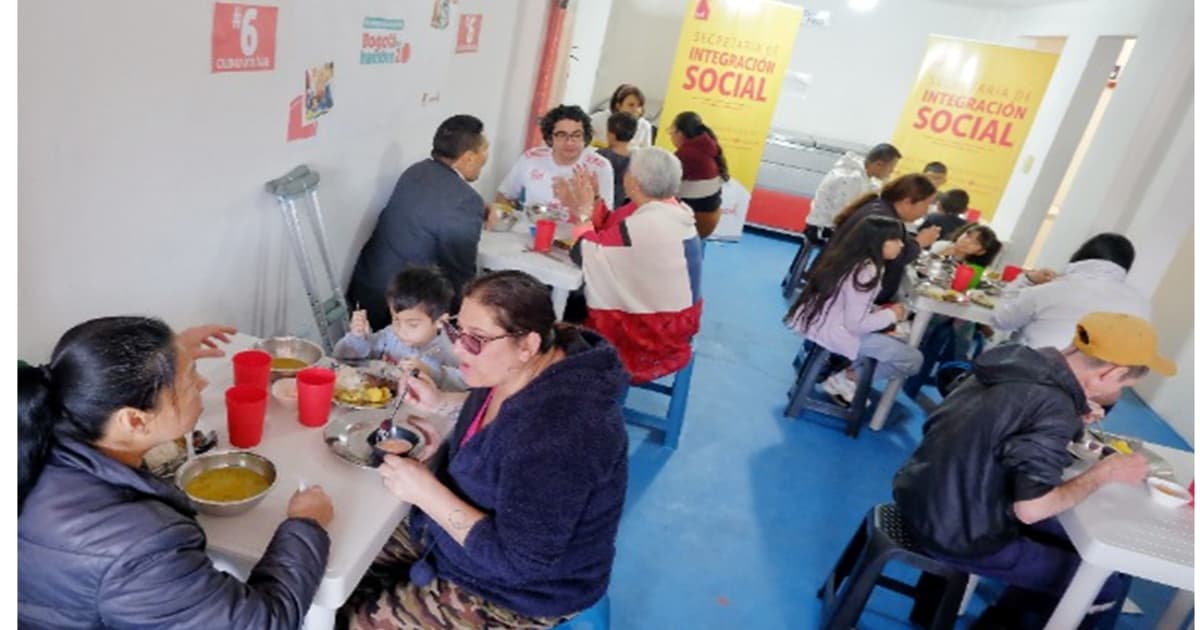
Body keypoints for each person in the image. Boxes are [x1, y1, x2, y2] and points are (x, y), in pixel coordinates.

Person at [340, 271, 629, 630]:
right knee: (338, 563)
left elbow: (519, 562)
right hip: (454, 537)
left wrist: (426, 492)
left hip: (515, 590)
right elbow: (503, 425)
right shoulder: (524, 367)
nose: (458, 350)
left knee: (348, 621)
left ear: (527, 345)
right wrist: (442, 402)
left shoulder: (564, 432)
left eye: (476, 340)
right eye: (457, 331)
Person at [19, 318, 335, 628]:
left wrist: (169, 356)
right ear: (135, 421)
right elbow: (265, 621)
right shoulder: (142, 548)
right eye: (189, 380)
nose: (203, 383)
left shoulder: (38, 434)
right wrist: (306, 526)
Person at [893, 312, 1176, 628]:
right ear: (1112, 372)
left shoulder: (1013, 362)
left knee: (1074, 546)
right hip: (961, 532)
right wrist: (1104, 473)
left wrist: (1070, 417)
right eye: (1123, 385)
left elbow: (1007, 427)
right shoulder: (1054, 406)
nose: (1118, 395)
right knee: (1103, 585)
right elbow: (1031, 509)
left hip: (921, 493)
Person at [565, 147, 703, 383]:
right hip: (677, 324)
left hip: (649, 334)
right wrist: (595, 199)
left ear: (633, 182)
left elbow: (583, 252)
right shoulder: (670, 208)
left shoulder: (647, 223)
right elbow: (611, 228)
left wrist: (584, 212)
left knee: (563, 306)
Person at [348, 114, 490, 329]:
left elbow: (431, 212)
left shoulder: (416, 171)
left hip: (366, 290)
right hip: (402, 308)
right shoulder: (465, 200)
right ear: (469, 157)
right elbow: (460, 271)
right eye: (484, 151)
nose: (485, 159)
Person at [786, 215, 923, 404]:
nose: (901, 245)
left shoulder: (849, 259)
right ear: (878, 242)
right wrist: (892, 315)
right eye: (896, 239)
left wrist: (878, 313)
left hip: (819, 322)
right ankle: (847, 379)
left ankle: (848, 375)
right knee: (913, 359)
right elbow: (855, 325)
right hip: (835, 332)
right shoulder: (866, 271)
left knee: (891, 339)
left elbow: (848, 303)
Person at [993, 233, 1151, 350]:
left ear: (1082, 254)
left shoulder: (1051, 289)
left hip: (1029, 372)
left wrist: (1027, 279)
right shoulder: (1141, 305)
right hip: (1090, 383)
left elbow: (1001, 320)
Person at [336, 267, 466, 391]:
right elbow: (344, 359)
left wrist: (432, 373)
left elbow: (465, 384)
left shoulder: (449, 350)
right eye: (396, 319)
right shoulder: (390, 335)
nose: (400, 330)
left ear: (440, 322)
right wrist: (358, 337)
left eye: (412, 324)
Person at [821, 174, 941, 305]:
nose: (926, 212)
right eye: (926, 204)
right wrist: (919, 243)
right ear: (907, 201)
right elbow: (895, 257)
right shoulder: (884, 221)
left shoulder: (879, 208)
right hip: (846, 295)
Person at [497, 104, 615, 212]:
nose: (569, 142)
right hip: (531, 225)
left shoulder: (600, 166)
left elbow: (605, 218)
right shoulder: (531, 158)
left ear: (585, 138)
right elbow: (503, 196)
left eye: (576, 135)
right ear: (550, 138)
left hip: (578, 228)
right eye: (561, 135)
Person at [804, 143, 903, 248]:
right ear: (879, 164)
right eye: (891, 167)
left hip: (831, 227)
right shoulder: (851, 179)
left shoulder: (864, 177)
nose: (892, 171)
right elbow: (840, 216)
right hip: (822, 229)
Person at [669, 111, 729, 239]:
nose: (670, 136)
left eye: (671, 131)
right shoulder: (707, 147)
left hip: (697, 220)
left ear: (680, 133)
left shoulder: (687, 154)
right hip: (710, 216)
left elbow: (664, 185)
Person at [590, 83, 654, 149]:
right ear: (618, 106)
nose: (636, 110)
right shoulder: (599, 119)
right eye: (631, 105)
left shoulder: (645, 126)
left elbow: (646, 152)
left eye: (639, 106)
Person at [598, 111, 637, 207]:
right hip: (622, 207)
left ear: (611, 135)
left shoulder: (600, 156)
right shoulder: (637, 160)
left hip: (599, 204)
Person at [930, 223, 1002, 268]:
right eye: (968, 236)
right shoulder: (941, 245)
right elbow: (926, 265)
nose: (967, 241)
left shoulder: (971, 267)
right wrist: (942, 254)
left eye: (975, 243)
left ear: (981, 252)